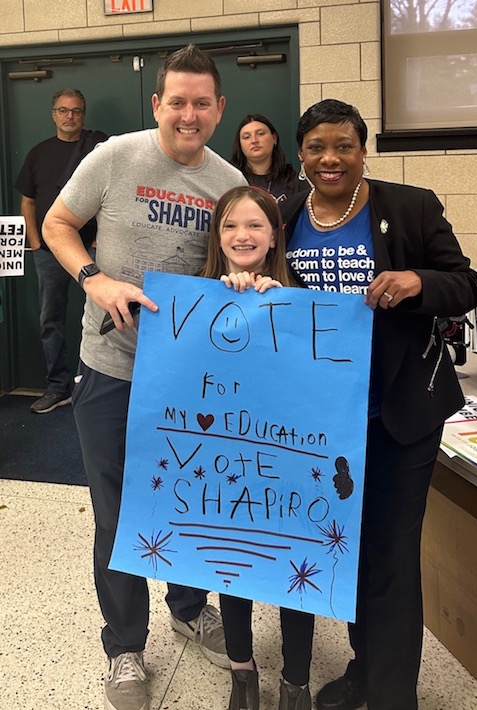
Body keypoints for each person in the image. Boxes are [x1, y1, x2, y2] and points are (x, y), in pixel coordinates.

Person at [42, 44, 247, 710]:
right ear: (158, 104)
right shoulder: (114, 157)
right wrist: (92, 277)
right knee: (117, 512)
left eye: (201, 103)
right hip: (109, 370)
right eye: (177, 101)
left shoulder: (226, 183)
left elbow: (239, 260)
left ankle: (188, 606)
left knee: (187, 502)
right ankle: (124, 646)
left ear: (218, 109)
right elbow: (58, 223)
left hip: (189, 380)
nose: (189, 114)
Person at [280, 99, 477, 710]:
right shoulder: (284, 211)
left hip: (396, 418)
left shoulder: (408, 206)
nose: (330, 159)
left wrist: (418, 283)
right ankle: (366, 670)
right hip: (318, 425)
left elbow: (465, 283)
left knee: (391, 555)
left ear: (363, 150)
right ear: (302, 154)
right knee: (347, 550)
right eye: (317, 147)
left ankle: (393, 695)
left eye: (343, 145)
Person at [201, 185, 313, 710]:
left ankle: (296, 680)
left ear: (274, 236)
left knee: (296, 572)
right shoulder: (201, 295)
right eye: (229, 226)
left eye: (254, 226)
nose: (241, 236)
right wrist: (227, 301)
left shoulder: (299, 297)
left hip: (288, 465)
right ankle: (242, 672)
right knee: (231, 566)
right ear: (217, 237)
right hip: (226, 469)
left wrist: (276, 306)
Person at [15, 89, 107, 414]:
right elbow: (27, 201)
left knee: (105, 318)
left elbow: (114, 196)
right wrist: (37, 242)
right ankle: (58, 388)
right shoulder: (38, 153)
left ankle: (100, 388)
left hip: (93, 250)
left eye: (76, 111)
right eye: (63, 110)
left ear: (84, 115)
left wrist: (101, 238)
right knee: (49, 319)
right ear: (53, 114)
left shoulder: (100, 149)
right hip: (49, 252)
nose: (70, 116)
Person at [231, 114, 308, 204]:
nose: (254, 140)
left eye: (260, 134)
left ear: (274, 138)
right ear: (240, 144)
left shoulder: (293, 180)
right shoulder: (231, 178)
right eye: (246, 137)